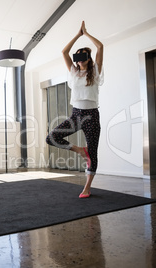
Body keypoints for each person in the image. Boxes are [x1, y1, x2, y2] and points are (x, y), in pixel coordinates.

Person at [46, 21, 104, 198]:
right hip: (77, 114)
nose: (79, 60)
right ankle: (80, 150)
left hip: (92, 115)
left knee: (93, 152)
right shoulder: (72, 71)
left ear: (88, 58)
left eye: (83, 56)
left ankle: (87, 187)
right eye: (77, 57)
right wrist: (77, 35)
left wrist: (86, 34)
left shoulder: (95, 71)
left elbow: (100, 46)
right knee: (52, 137)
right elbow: (64, 52)